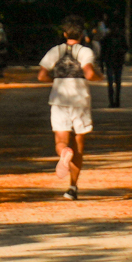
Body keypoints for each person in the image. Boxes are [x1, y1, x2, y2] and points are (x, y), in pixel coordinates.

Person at [36, 18, 99, 200]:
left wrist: (56, 80)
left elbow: (41, 76)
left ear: (64, 34)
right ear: (82, 34)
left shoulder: (55, 51)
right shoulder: (85, 52)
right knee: (78, 146)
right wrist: (99, 77)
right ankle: (72, 187)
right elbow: (89, 73)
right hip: (80, 101)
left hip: (59, 100)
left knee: (61, 141)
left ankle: (64, 152)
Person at [102, 26, 126, 108]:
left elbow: (103, 52)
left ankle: (114, 101)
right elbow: (103, 52)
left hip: (114, 62)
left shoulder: (109, 38)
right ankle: (114, 101)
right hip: (113, 62)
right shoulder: (109, 38)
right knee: (115, 83)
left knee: (114, 83)